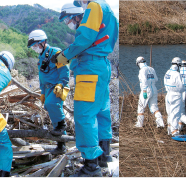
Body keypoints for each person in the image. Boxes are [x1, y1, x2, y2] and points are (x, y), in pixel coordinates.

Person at [53, 0, 118, 175]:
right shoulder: (108, 9)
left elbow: (85, 38)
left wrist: (62, 57)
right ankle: (104, 156)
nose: (69, 24)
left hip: (90, 69)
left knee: (84, 114)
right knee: (102, 110)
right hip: (102, 65)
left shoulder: (94, 6)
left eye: (68, 20)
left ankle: (91, 165)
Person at [28, 29, 70, 155]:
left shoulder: (56, 52)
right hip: (47, 88)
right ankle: (61, 144)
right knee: (50, 109)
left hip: (58, 86)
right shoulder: (41, 57)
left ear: (42, 42)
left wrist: (61, 84)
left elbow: (65, 71)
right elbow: (42, 77)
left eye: (35, 45)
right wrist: (42, 92)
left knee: (52, 104)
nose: (34, 48)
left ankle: (62, 126)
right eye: (33, 46)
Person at [135, 56, 162, 128]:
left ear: (138, 63)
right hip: (154, 89)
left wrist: (144, 91)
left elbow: (144, 81)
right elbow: (156, 79)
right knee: (154, 107)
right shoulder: (151, 69)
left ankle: (139, 124)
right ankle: (160, 123)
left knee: (141, 107)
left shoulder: (142, 70)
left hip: (146, 90)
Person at [164, 57, 186, 136]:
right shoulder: (177, 74)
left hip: (168, 94)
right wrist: (185, 88)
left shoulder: (168, 72)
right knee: (175, 114)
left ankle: (169, 130)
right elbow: (180, 87)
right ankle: (175, 131)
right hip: (176, 95)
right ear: (178, 64)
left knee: (170, 113)